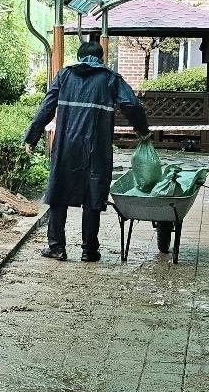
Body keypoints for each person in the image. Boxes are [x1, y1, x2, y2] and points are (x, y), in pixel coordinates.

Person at [24, 37, 150, 261]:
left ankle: (56, 247)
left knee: (58, 194)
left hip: (65, 145)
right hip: (96, 147)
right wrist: (142, 130)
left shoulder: (65, 75)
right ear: (101, 58)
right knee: (93, 196)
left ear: (79, 57)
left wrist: (32, 136)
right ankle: (89, 250)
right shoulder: (110, 78)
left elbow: (47, 106)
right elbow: (131, 104)